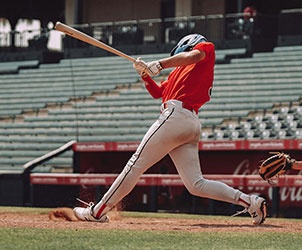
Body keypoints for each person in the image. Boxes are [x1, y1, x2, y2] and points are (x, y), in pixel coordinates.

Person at [73, 34, 267, 225]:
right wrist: (144, 74)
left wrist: (160, 64)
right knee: (196, 184)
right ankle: (250, 202)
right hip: (188, 123)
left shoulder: (204, 48)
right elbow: (158, 92)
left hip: (176, 117)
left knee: (135, 165)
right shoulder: (178, 73)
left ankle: (97, 212)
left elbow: (194, 56)